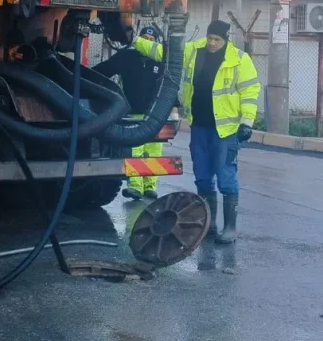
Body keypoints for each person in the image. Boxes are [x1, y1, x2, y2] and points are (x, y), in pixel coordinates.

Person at [134, 19, 260, 244]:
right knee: (203, 177)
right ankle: (208, 225)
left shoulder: (240, 60)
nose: (212, 43)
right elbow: (163, 52)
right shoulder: (194, 50)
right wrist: (136, 42)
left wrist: (247, 122)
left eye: (217, 40)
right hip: (200, 126)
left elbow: (250, 91)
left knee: (225, 177)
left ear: (225, 39)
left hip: (225, 130)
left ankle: (229, 228)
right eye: (210, 38)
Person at [93, 24, 167, 201]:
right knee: (134, 151)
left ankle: (150, 187)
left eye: (151, 41)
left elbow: (170, 85)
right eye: (144, 40)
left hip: (154, 115)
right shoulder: (127, 57)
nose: (147, 44)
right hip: (131, 113)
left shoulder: (161, 61)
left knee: (153, 152)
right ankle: (135, 187)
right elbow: (102, 71)